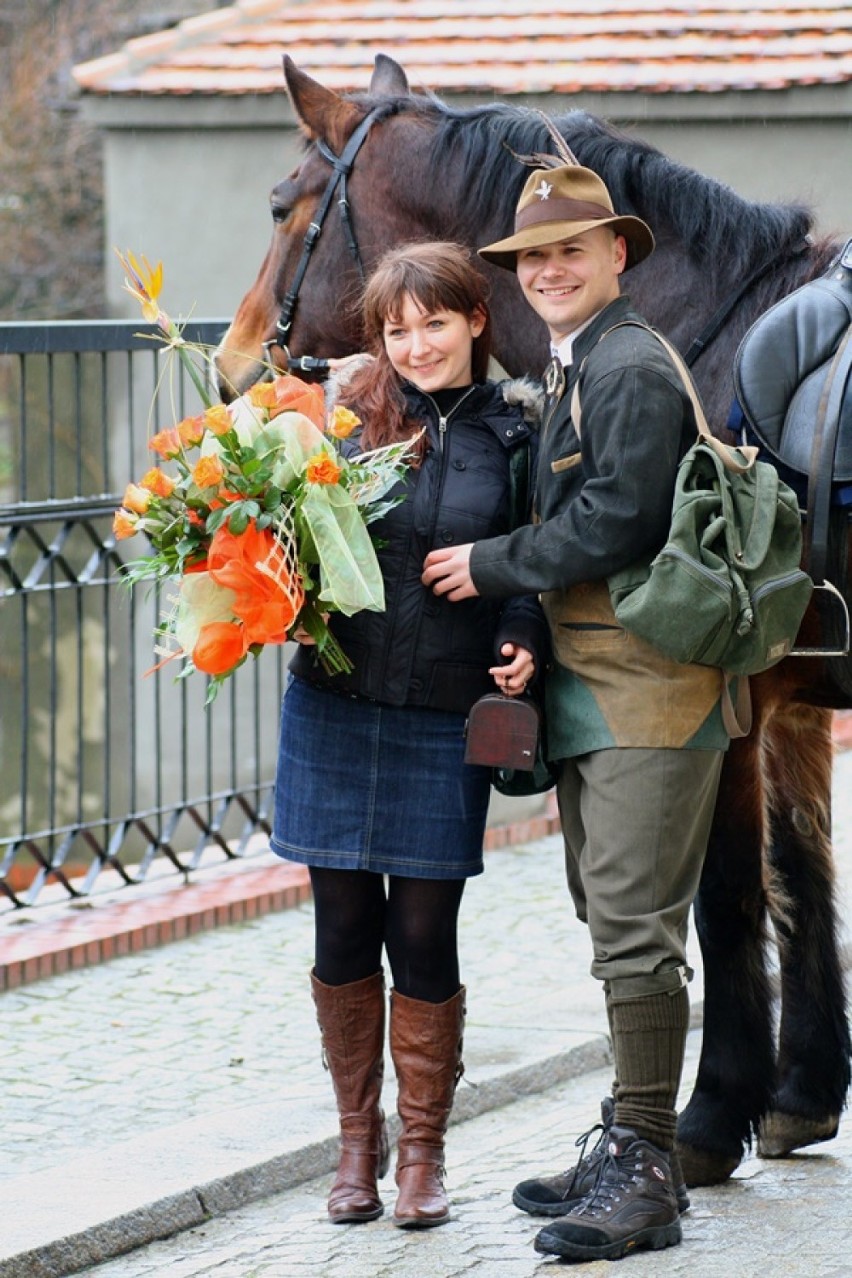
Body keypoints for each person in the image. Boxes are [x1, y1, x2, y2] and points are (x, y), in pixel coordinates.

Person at [421, 164, 731, 1262]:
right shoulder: (576, 363)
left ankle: (645, 1173)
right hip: (603, 683)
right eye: (533, 257)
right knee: (613, 922)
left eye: (571, 250)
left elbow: (615, 523)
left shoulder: (631, 365)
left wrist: (488, 564)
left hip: (656, 686)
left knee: (636, 931)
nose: (549, 270)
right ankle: (630, 1135)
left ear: (616, 256)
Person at [271, 241, 549, 1230]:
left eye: (436, 322)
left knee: (424, 930)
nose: (417, 342)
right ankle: (358, 1143)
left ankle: (424, 1153)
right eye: (399, 327)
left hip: (444, 713)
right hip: (334, 703)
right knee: (342, 924)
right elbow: (283, 534)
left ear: (477, 321)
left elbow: (537, 565)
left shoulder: (520, 437)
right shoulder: (343, 419)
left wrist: (518, 638)